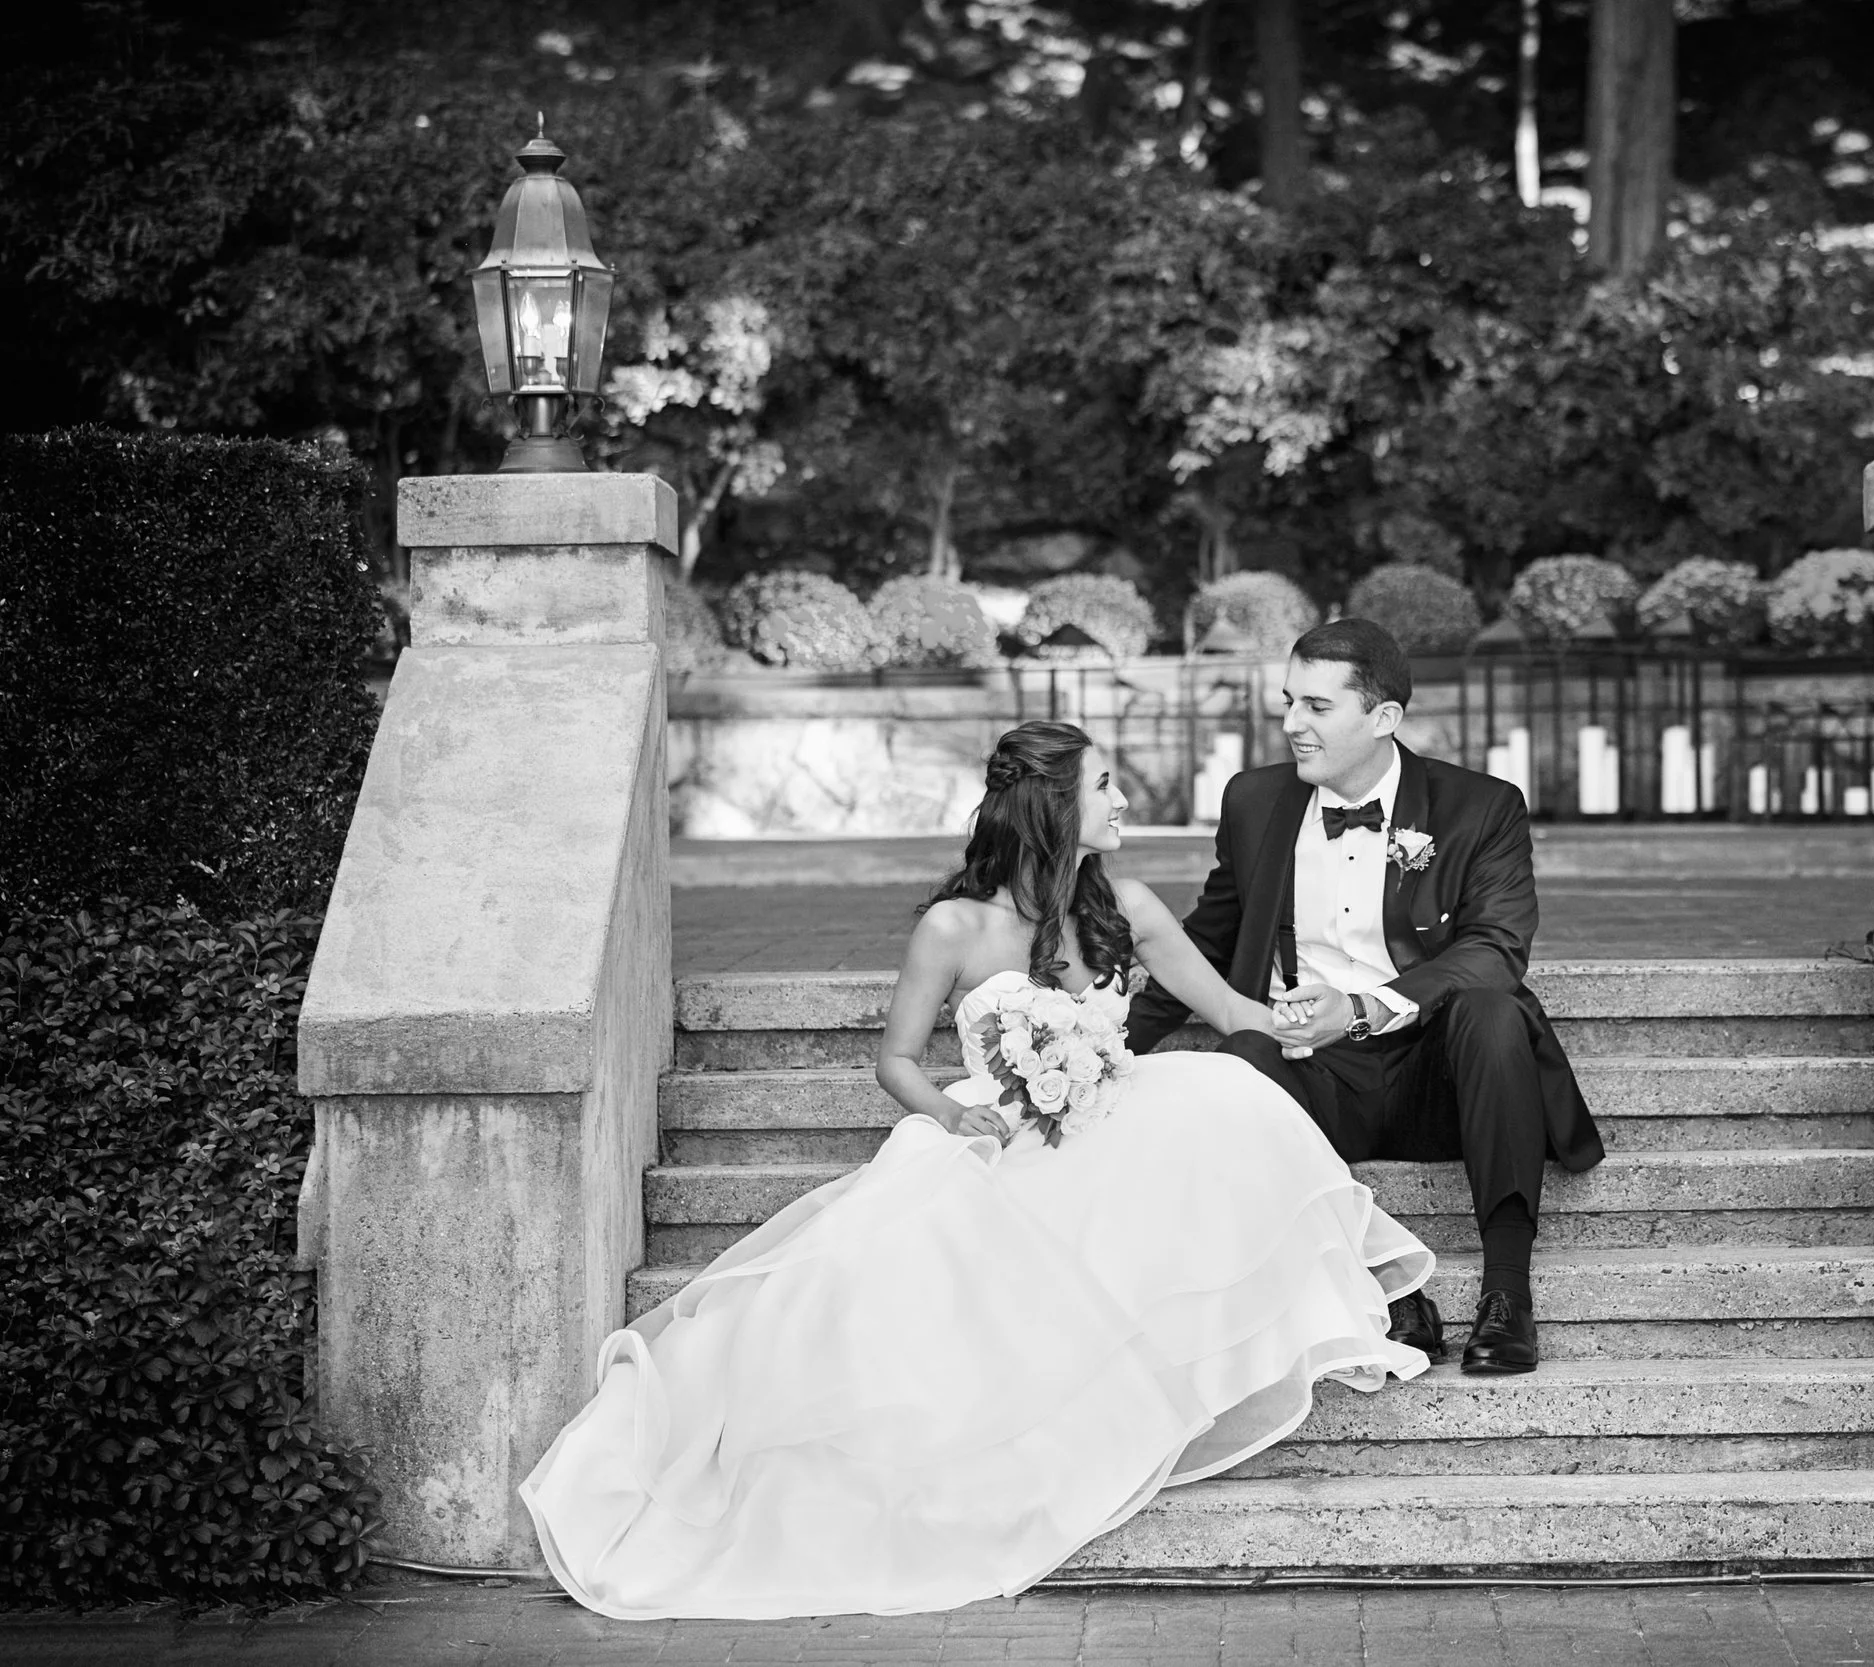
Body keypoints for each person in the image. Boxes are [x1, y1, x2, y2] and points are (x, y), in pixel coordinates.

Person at [521, 721, 1435, 1620]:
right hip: (995, 1130)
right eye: (1105, 785)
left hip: (1112, 1118)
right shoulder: (953, 925)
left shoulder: (1131, 907)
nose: (1123, 801)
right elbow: (897, 1060)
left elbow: (1233, 1007)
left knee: (1226, 1093)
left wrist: (1333, 1014)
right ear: (1054, 807)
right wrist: (954, 1113)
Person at [1126, 618, 1603, 1375]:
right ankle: (1385, 1282)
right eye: (1288, 702)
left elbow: (1496, 949)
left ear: (1383, 718)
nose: (1290, 724)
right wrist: (1100, 1045)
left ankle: (1507, 1292)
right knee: (1240, 1054)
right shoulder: (1255, 802)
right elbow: (1207, 940)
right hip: (1310, 1071)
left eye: (1316, 707)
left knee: (1493, 1007)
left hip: (1439, 1070)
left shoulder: (1479, 807)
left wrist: (1363, 1006)